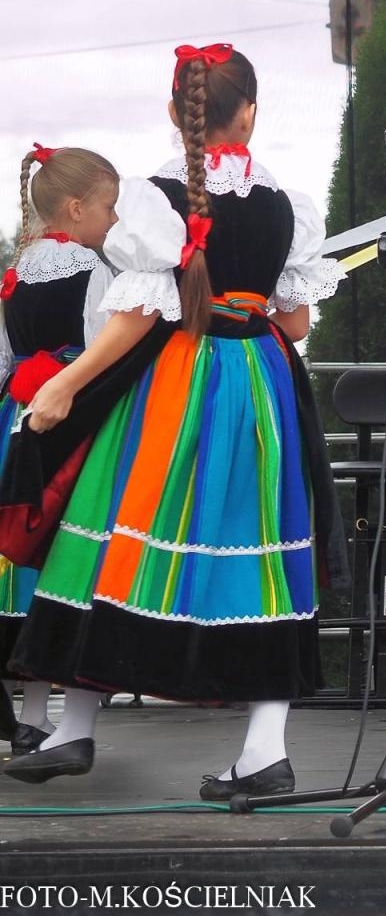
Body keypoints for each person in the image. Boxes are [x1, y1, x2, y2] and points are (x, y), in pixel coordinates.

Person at [2, 44, 345, 798]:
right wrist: (245, 303)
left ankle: (76, 724)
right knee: (259, 548)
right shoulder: (286, 203)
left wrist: (63, 386)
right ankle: (262, 747)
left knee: (114, 531)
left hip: (178, 383)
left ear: (174, 112)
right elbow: (297, 322)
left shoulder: (154, 198)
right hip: (260, 385)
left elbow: (129, 320)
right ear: (249, 112)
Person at [0, 145, 119, 757]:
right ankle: (65, 718)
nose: (114, 221)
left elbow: (3, 362)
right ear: (77, 208)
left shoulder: (15, 272)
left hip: (17, 422)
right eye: (109, 207)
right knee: (71, 558)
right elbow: (106, 349)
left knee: (27, 558)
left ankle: (32, 715)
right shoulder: (95, 270)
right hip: (75, 418)